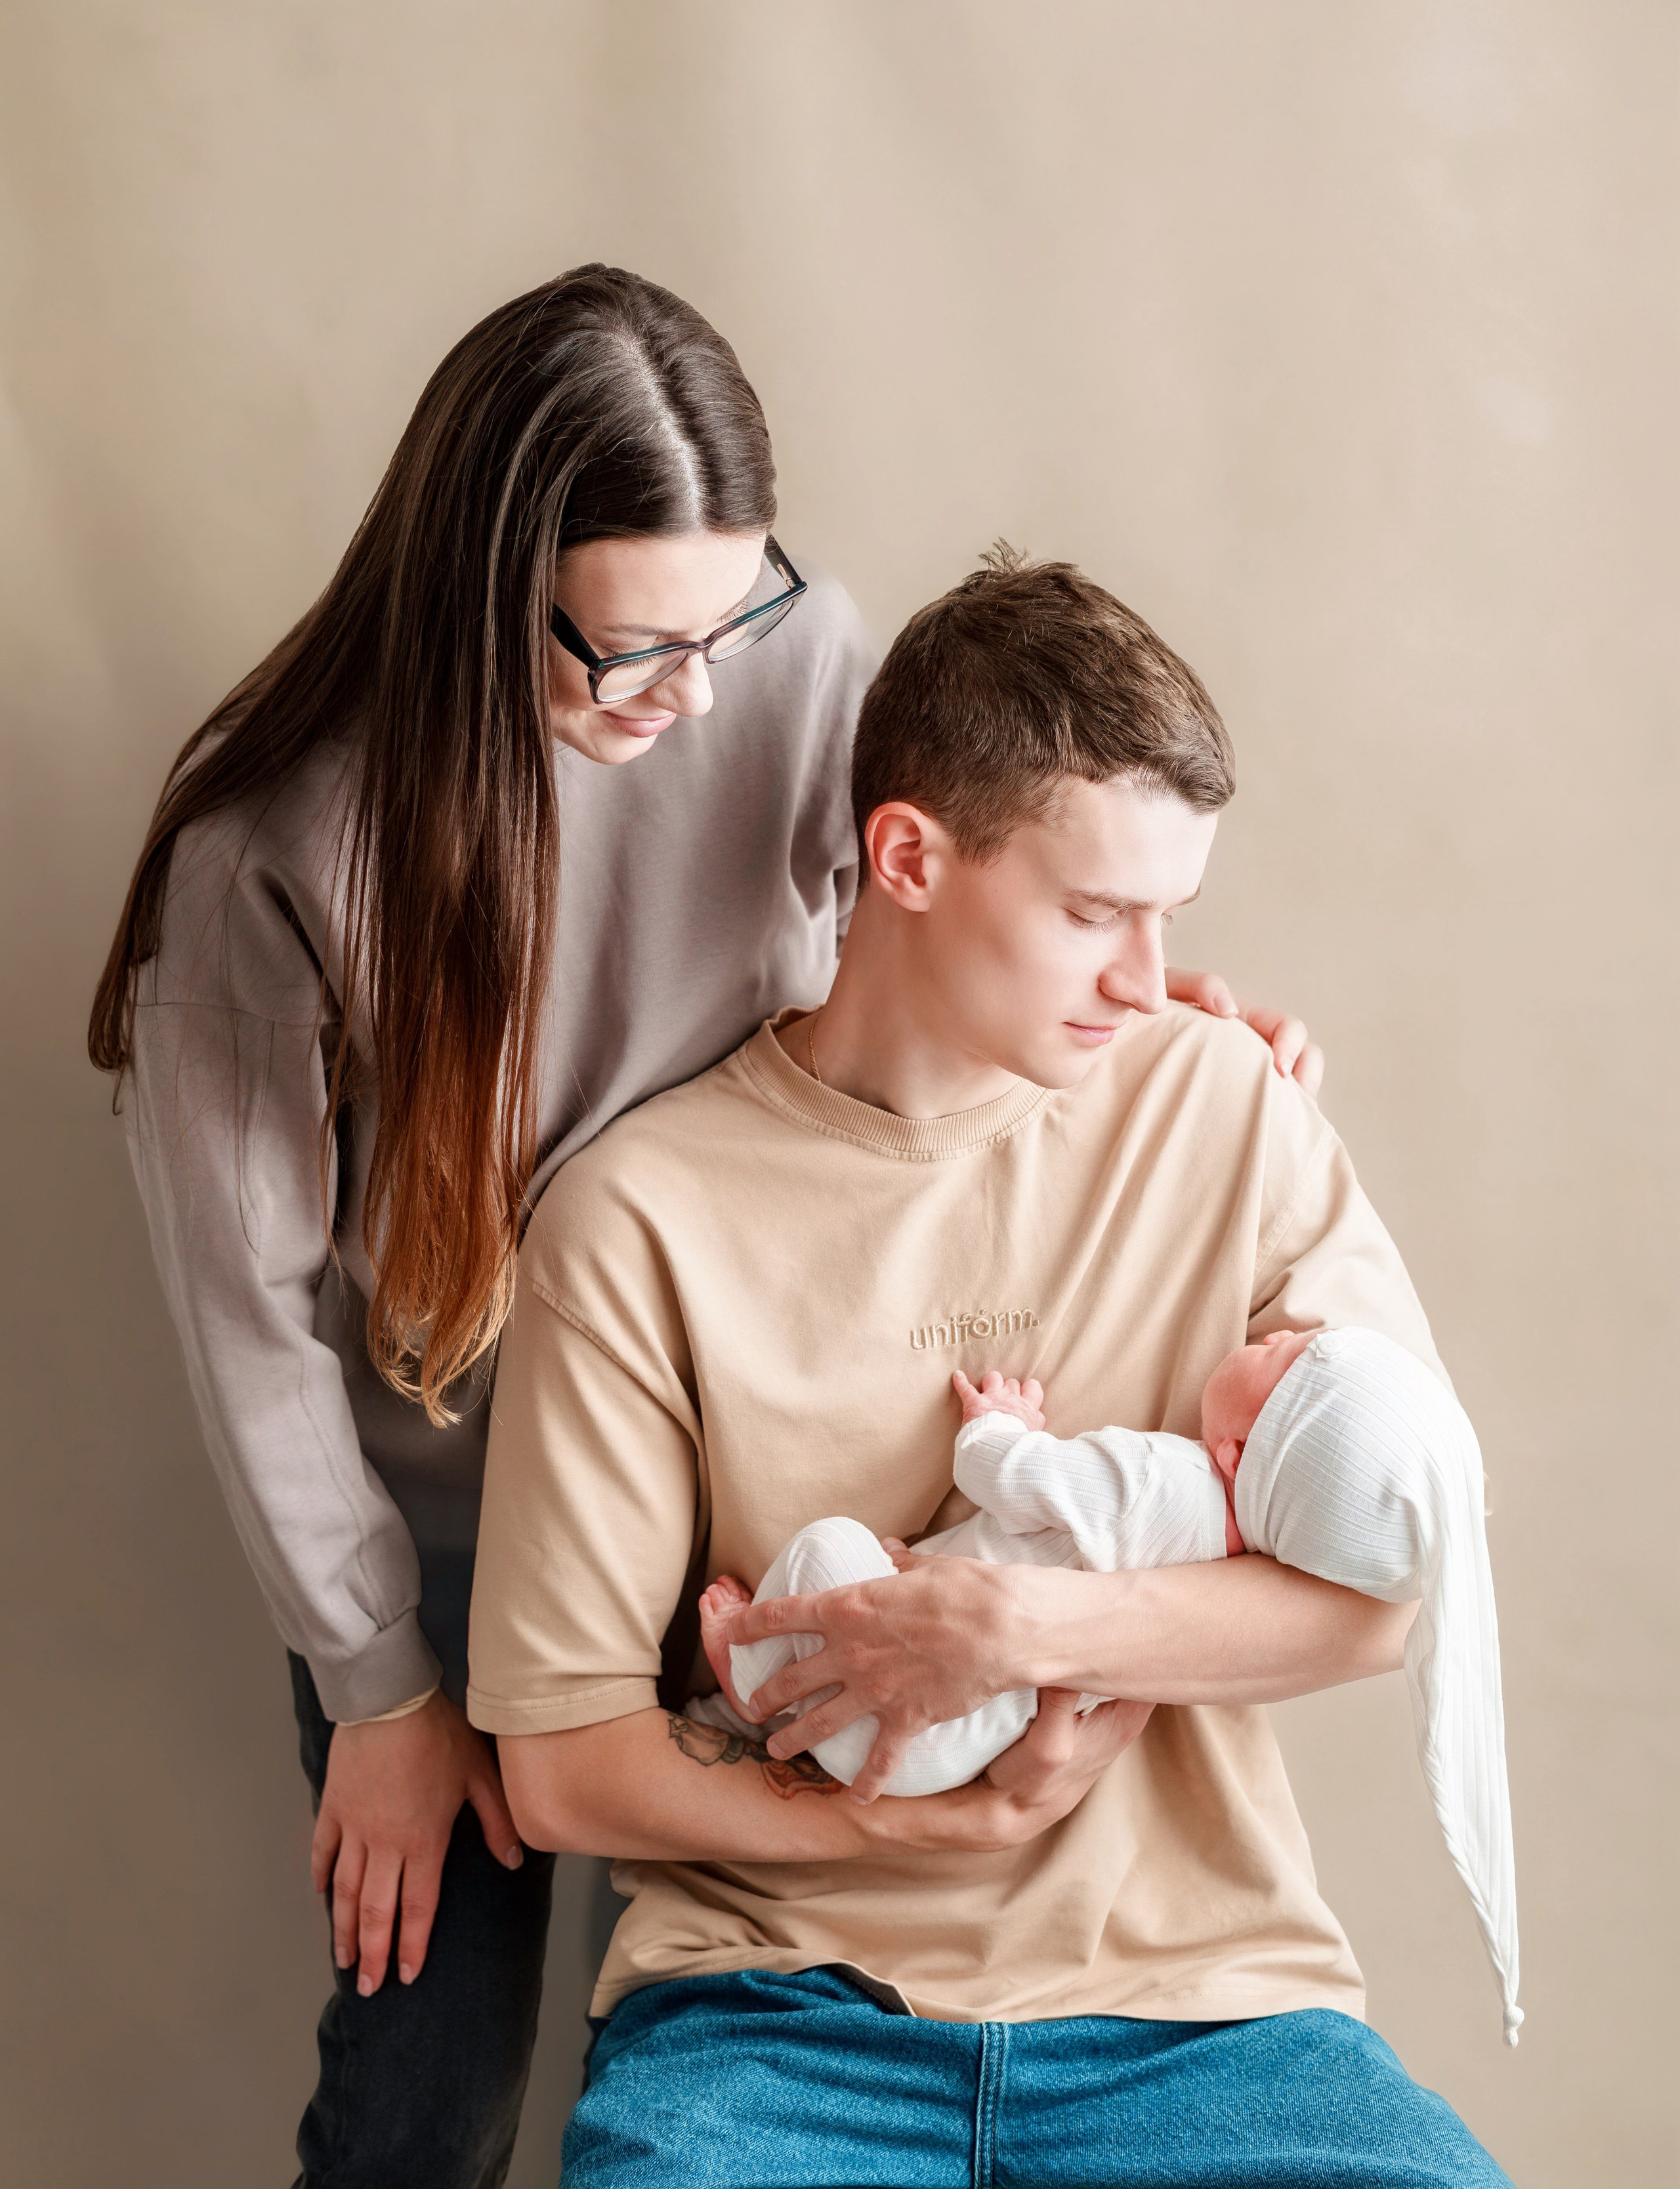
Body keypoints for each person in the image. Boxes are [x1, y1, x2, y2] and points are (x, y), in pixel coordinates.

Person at [89, 277, 1301, 2189]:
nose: (706, 696)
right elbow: (248, 1322)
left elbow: (942, 906)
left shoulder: (785, 653)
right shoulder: (268, 859)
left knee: (713, 2008)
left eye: (735, 618)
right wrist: (378, 1685)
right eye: (639, 648)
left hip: (745, 1454)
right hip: (444, 1548)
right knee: (431, 2083)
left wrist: (1136, 1002)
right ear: (484, 595)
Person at [468, 550, 1512, 2186]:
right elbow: (560, 1762)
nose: (1144, 979)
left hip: (1206, 2015)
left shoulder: (1225, 1110)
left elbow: (1387, 1592)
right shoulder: (634, 1219)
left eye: (1167, 918)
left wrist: (1015, 1628)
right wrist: (905, 1821)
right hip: (771, 2021)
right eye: (1092, 914)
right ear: (907, 857)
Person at [701, 1325, 1522, 2047]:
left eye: (1284, 1356)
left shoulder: (1155, 1476)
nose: (1276, 1333)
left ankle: (750, 1674)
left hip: (901, 1726)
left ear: (1239, 1452)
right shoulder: (1224, 1573)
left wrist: (1000, 1423)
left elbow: (1002, 1475)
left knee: (826, 1547)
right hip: (950, 1762)